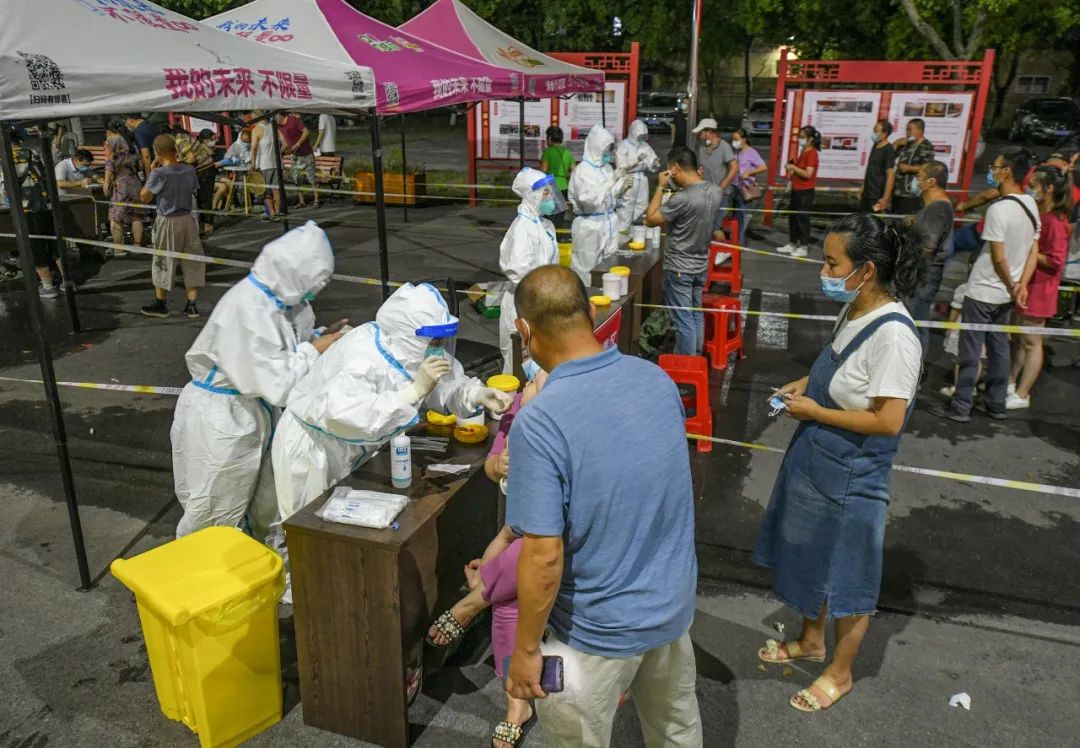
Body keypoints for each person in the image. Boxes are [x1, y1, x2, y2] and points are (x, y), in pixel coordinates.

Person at [504, 265, 702, 747]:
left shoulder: (541, 422)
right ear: (591, 311)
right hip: (670, 607)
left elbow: (544, 556)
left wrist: (526, 649)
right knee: (676, 731)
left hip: (594, 630)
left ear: (524, 332)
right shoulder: (654, 380)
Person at [755, 214, 925, 713]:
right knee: (810, 556)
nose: (824, 271)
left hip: (853, 472)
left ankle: (840, 672)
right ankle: (811, 640)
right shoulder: (855, 309)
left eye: (833, 263)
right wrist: (803, 387)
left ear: (866, 270)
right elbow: (836, 362)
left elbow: (889, 420)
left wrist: (816, 411)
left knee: (849, 576)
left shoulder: (896, 337)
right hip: (817, 456)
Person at [272, 282, 515, 534]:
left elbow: (442, 382)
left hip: (353, 448)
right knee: (308, 534)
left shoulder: (409, 349)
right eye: (434, 338)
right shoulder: (362, 355)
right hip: (313, 450)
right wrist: (414, 392)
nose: (439, 345)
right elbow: (350, 417)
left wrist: (475, 393)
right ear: (407, 333)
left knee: (348, 532)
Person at [170, 221, 342, 539]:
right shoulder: (248, 308)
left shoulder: (286, 302)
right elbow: (278, 384)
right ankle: (198, 578)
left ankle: (246, 569)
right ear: (295, 271)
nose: (314, 291)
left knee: (256, 502)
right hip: (221, 418)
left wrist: (320, 337)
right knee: (214, 508)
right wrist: (316, 349)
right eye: (313, 281)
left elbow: (289, 347)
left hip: (250, 412)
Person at [426, 367, 549, 748]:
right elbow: (492, 467)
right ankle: (518, 705)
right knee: (509, 595)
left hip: (555, 543)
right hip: (517, 532)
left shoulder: (566, 424)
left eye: (534, 380)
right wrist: (500, 463)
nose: (526, 385)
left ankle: (474, 600)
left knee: (515, 572)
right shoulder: (516, 416)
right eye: (529, 380)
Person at [931, 147, 1040, 423]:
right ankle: (996, 403)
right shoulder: (1031, 204)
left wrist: (1013, 283)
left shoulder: (999, 209)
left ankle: (961, 406)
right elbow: (1033, 250)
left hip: (983, 290)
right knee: (1000, 347)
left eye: (996, 166)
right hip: (1005, 294)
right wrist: (1020, 285)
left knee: (970, 350)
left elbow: (998, 256)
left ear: (1007, 172)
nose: (992, 170)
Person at [645, 146, 723, 356]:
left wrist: (661, 187)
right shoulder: (716, 191)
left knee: (683, 320)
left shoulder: (682, 199)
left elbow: (651, 219)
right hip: (700, 264)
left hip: (679, 266)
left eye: (670, 171)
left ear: (676, 168)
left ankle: (686, 368)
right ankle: (696, 358)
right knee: (695, 314)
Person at [1007, 165, 1073, 409]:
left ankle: (1023, 393)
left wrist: (1030, 252)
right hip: (1028, 285)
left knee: (1032, 342)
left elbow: (1056, 260)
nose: (1028, 189)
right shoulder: (1039, 216)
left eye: (1033, 185)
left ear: (1049, 189)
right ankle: (1011, 382)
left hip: (1040, 289)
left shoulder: (1055, 222)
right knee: (1020, 340)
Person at [498, 167, 563, 373]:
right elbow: (518, 271)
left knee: (541, 362)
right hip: (524, 304)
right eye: (545, 192)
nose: (550, 195)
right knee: (519, 364)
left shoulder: (544, 225)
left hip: (542, 301)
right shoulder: (522, 229)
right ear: (532, 196)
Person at [139, 134, 205, 319]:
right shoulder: (189, 170)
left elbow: (144, 196)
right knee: (191, 261)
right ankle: (192, 304)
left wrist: (150, 172)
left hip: (167, 220)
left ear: (157, 152)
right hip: (187, 218)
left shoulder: (159, 173)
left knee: (163, 261)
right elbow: (194, 189)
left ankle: (161, 304)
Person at [904, 160, 954, 354]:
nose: (915, 181)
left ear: (931, 182)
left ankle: (914, 369)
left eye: (919, 177)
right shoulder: (933, 207)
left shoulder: (938, 208)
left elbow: (928, 245)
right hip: (922, 275)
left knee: (915, 325)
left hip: (923, 276)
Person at [567, 125, 627, 285]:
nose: (608, 153)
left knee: (610, 266)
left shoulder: (606, 168)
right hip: (590, 225)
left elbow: (610, 195)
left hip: (608, 222)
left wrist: (621, 188)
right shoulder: (582, 171)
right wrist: (612, 181)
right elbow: (589, 198)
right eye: (605, 149)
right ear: (595, 148)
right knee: (586, 266)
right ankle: (585, 299)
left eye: (609, 148)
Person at [102, 120, 144, 257]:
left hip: (120, 183)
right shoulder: (130, 140)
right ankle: (137, 245)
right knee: (136, 214)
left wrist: (106, 182)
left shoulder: (111, 141)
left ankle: (118, 250)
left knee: (116, 216)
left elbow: (109, 163)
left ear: (109, 131)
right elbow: (140, 162)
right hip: (134, 180)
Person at [778, 125, 820, 258]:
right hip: (797, 190)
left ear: (810, 139)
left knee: (802, 219)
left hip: (805, 191)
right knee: (793, 218)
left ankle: (803, 246)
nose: (799, 139)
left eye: (802, 137)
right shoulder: (804, 151)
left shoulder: (812, 153)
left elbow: (808, 173)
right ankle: (792, 243)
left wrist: (793, 168)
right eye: (799, 137)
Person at [692, 117, 738, 238]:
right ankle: (708, 250)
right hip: (705, 193)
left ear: (709, 132)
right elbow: (701, 167)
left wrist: (722, 187)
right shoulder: (701, 147)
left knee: (714, 226)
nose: (698, 135)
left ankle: (722, 251)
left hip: (720, 194)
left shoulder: (724, 147)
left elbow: (734, 168)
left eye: (700, 132)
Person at [614, 120, 660, 235]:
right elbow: (621, 166)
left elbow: (652, 160)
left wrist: (654, 164)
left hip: (642, 179)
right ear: (633, 133)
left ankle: (638, 234)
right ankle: (622, 233)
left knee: (642, 205)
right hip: (628, 179)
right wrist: (636, 161)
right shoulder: (623, 145)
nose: (641, 138)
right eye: (639, 135)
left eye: (643, 136)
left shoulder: (645, 146)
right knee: (626, 206)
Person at [731, 128, 766, 247]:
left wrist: (749, 172)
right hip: (734, 187)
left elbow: (763, 167)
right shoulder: (736, 152)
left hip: (744, 188)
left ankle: (738, 243)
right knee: (735, 217)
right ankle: (734, 240)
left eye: (736, 139)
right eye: (733, 139)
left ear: (744, 139)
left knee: (741, 217)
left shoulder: (751, 152)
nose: (734, 142)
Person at [891, 118, 934, 215]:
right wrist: (896, 144)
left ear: (919, 130)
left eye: (910, 130)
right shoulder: (907, 144)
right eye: (907, 129)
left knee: (907, 223)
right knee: (894, 221)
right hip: (898, 192)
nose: (907, 132)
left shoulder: (926, 145)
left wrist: (909, 168)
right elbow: (890, 157)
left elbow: (928, 167)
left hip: (911, 195)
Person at [279, 112, 318, 209]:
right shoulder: (279, 127)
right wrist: (281, 152)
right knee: (296, 178)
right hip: (295, 156)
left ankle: (316, 200)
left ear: (278, 115)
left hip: (306, 153)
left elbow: (306, 132)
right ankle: (301, 201)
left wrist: (298, 144)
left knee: (312, 177)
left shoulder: (294, 120)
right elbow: (284, 143)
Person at [184, 129, 218, 236]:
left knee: (205, 198)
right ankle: (204, 225)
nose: (214, 141)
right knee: (202, 198)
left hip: (205, 171)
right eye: (211, 139)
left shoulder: (181, 140)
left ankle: (207, 225)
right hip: (204, 171)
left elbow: (192, 159)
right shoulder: (191, 141)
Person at [250, 112, 282, 221]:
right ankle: (278, 213)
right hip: (276, 163)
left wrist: (253, 163)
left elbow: (253, 147)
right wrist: (280, 153)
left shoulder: (256, 129)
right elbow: (285, 143)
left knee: (266, 191)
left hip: (264, 164)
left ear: (256, 117)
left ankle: (272, 213)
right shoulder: (273, 127)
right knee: (276, 189)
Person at [861, 119, 896, 213]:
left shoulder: (888, 150)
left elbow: (891, 174)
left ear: (885, 133)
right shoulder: (875, 145)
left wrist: (885, 197)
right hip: (867, 193)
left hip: (877, 194)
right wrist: (863, 187)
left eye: (876, 131)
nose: (873, 134)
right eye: (874, 130)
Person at [213, 128, 252, 210]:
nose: (249, 137)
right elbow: (228, 158)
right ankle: (234, 205)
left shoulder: (250, 144)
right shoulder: (235, 145)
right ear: (242, 134)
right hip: (237, 171)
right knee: (235, 185)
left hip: (249, 170)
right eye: (247, 135)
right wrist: (233, 160)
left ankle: (232, 205)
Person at [125, 113, 158, 179]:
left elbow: (146, 155)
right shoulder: (152, 125)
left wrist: (148, 175)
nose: (126, 124)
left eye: (126, 121)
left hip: (153, 167)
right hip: (161, 164)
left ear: (130, 119)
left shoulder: (139, 131)